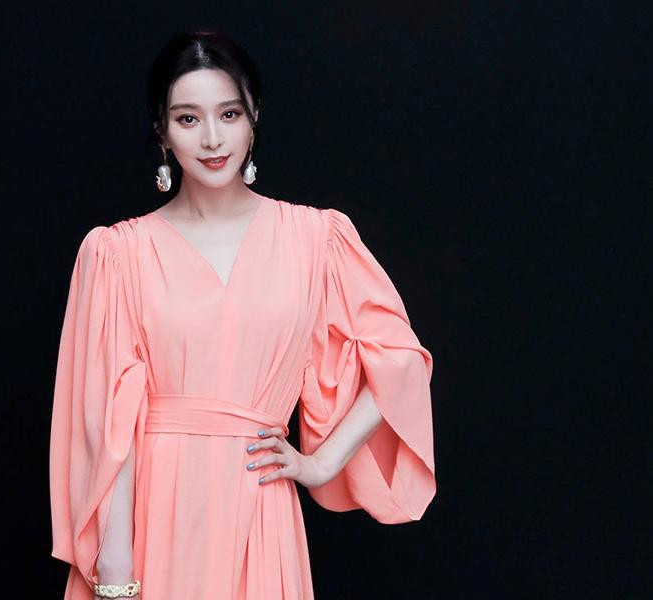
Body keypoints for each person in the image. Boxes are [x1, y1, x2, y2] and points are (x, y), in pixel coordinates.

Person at [49, 30, 436, 600]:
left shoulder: (315, 238)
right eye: (188, 119)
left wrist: (321, 463)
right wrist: (115, 576)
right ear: (161, 131)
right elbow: (108, 431)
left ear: (254, 116)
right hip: (158, 517)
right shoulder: (118, 254)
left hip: (260, 507)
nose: (212, 138)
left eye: (228, 114)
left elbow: (400, 357)